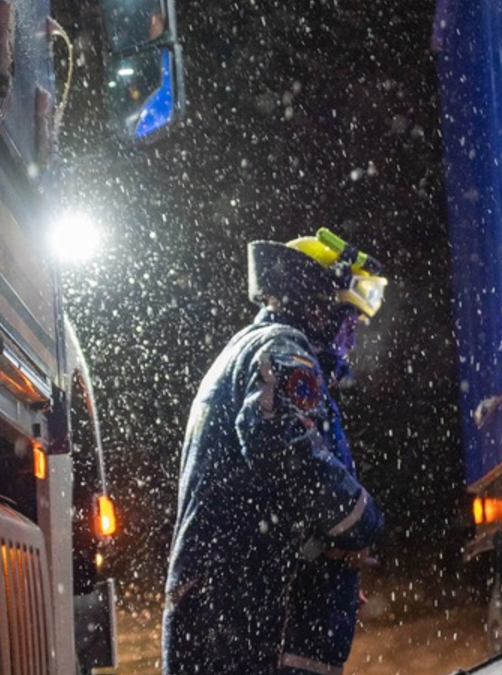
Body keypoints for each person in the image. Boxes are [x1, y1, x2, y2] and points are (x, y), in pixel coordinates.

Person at [162, 229, 388, 675]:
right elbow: (284, 449)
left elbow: (274, 493)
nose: (351, 339)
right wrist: (362, 523)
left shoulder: (254, 348)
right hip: (240, 622)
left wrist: (326, 554)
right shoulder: (281, 348)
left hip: (230, 615)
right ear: (317, 306)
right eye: (348, 322)